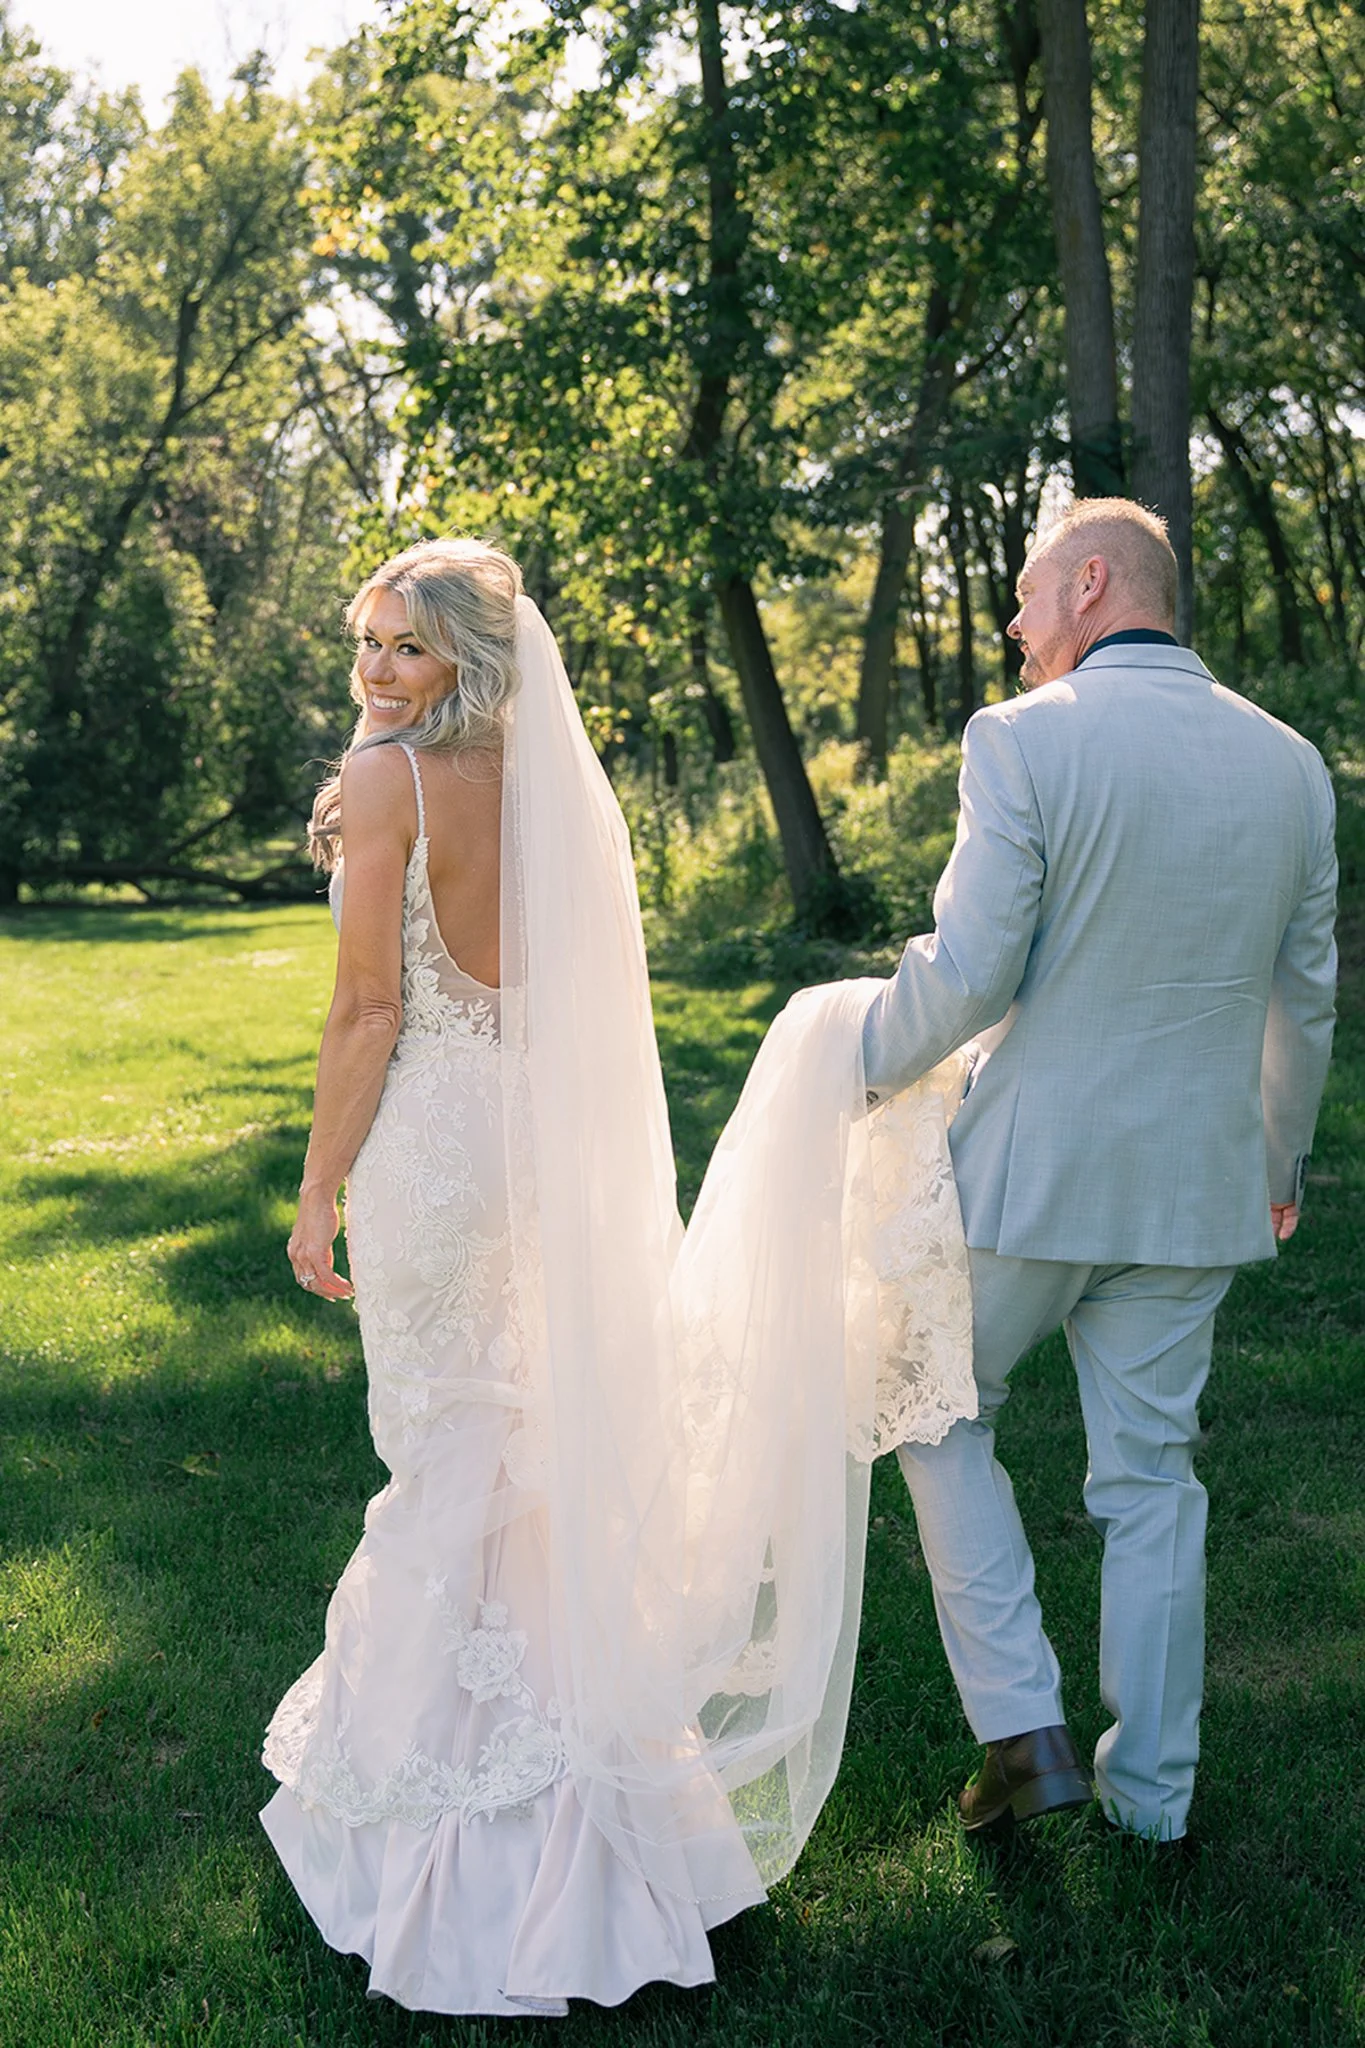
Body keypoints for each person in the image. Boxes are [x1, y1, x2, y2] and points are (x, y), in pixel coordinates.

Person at [261, 538, 978, 2013]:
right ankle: (595, 1786)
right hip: (534, 1150)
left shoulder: (387, 781)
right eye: (368, 642)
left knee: (450, 1452)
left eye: (407, 645)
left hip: (436, 1158)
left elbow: (367, 1008)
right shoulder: (549, 797)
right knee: (518, 1448)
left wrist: (320, 1184)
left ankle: (457, 1837)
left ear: (468, 656)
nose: (377, 670)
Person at [861, 497, 1338, 1843]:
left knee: (935, 1410)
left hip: (1033, 1173)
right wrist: (1276, 1157)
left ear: (1090, 582)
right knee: (1152, 1479)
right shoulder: (1292, 763)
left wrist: (848, 1066)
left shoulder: (1023, 739)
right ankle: (1155, 1795)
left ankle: (1023, 1726)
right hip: (1200, 1184)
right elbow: (1304, 1004)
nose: (1013, 628)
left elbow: (970, 973)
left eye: (1023, 599)